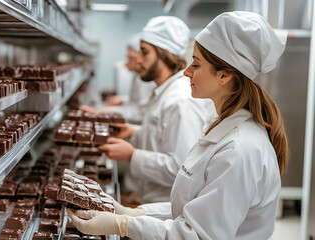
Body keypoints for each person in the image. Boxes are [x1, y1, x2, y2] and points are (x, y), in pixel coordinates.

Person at [67, 11, 290, 239]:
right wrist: (135, 213)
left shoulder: (239, 151)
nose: (186, 72)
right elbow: (191, 208)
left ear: (223, 76)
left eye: (196, 64)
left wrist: (123, 225)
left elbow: (198, 235)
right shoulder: (222, 129)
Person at [97, 16, 216, 203]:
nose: (138, 61)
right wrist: (134, 133)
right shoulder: (164, 91)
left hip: (165, 208)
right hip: (148, 200)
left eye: (144, 52)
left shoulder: (181, 101)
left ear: (164, 53)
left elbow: (182, 168)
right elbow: (164, 136)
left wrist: (132, 156)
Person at [104, 33, 156, 124]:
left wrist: (111, 111)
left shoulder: (147, 79)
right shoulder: (138, 74)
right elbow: (136, 101)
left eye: (130, 51)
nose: (127, 56)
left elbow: (141, 112)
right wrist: (122, 100)